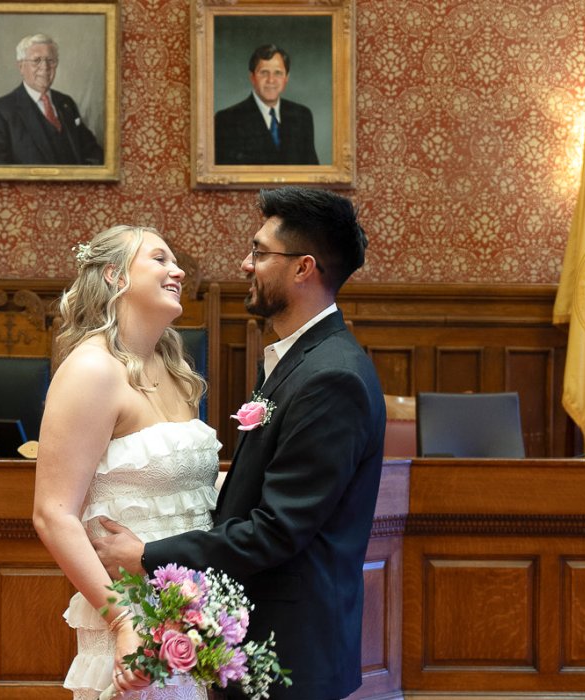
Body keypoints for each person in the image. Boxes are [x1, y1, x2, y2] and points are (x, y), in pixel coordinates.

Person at [93, 187, 385, 700]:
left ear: (303, 268)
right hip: (257, 637)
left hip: (292, 651)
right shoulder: (299, 360)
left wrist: (148, 554)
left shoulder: (331, 377)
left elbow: (277, 529)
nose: (245, 264)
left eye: (260, 252)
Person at [32, 225, 218, 700]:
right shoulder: (92, 370)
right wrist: (123, 620)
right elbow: (53, 514)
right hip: (131, 614)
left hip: (194, 615)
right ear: (115, 275)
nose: (177, 270)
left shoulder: (176, 371)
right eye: (160, 258)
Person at [0, 34, 104, 166]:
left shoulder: (66, 103)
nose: (45, 67)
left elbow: (92, 152)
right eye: (36, 61)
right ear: (21, 67)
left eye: (50, 60)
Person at [214, 45, 319, 166]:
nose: (271, 80)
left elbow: (312, 174)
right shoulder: (226, 120)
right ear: (252, 77)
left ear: (286, 78)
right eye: (264, 73)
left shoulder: (302, 116)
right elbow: (223, 179)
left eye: (278, 73)